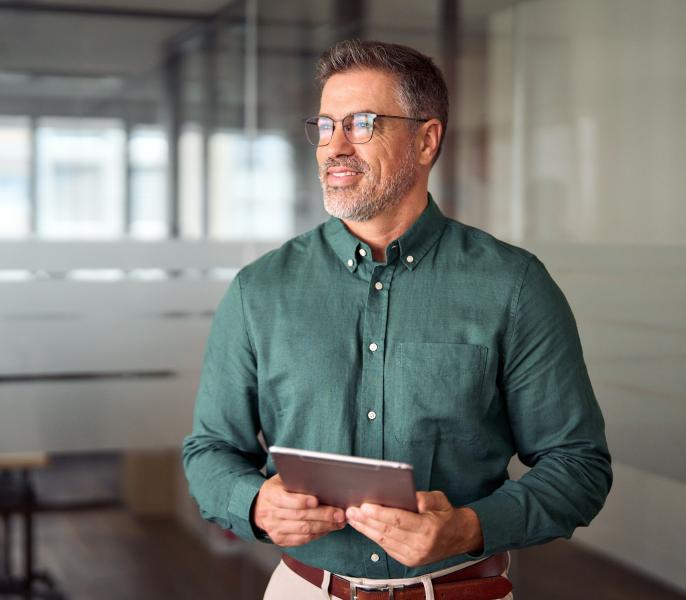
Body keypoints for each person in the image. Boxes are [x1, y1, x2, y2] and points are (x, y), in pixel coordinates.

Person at [182, 39, 612, 600]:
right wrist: (255, 504)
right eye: (326, 124)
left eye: (362, 124)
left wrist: (469, 526)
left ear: (427, 139)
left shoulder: (514, 286)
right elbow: (210, 450)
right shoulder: (259, 290)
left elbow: (578, 465)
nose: (334, 146)